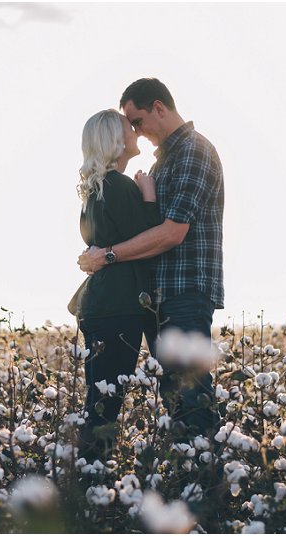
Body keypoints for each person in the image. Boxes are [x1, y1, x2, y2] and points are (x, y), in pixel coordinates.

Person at [77, 78, 225, 438]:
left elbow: (172, 232)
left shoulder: (193, 152)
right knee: (175, 396)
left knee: (191, 398)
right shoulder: (161, 164)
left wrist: (107, 255)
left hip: (185, 293)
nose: (137, 133)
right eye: (130, 127)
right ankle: (185, 478)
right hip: (157, 298)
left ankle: (204, 485)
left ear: (159, 107)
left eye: (137, 120)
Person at [69, 109, 163, 461]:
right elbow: (149, 241)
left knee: (99, 400)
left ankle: (87, 473)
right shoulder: (120, 186)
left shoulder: (95, 190)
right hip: (119, 308)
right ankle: (90, 477)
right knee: (106, 405)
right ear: (116, 140)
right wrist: (150, 197)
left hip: (100, 307)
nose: (136, 131)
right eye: (129, 127)